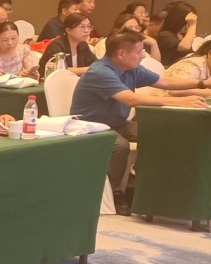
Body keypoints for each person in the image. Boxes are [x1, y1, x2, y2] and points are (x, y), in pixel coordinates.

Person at [70, 30, 208, 212]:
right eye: (139, 51)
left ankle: (150, 186)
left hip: (118, 123)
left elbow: (164, 82)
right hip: (90, 126)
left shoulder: (131, 68)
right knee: (120, 146)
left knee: (160, 133)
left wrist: (201, 84)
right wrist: (179, 101)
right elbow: (131, 99)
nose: (143, 55)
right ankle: (115, 192)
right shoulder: (100, 71)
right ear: (121, 53)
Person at [39, 12, 96, 77]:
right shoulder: (57, 46)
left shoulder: (83, 45)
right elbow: (60, 70)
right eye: (82, 27)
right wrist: (88, 69)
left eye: (89, 26)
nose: (86, 30)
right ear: (68, 30)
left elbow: (95, 64)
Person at [155, 2, 199, 68]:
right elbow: (184, 47)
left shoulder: (182, 36)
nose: (188, 25)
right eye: (187, 22)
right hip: (169, 70)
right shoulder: (164, 35)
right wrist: (192, 25)